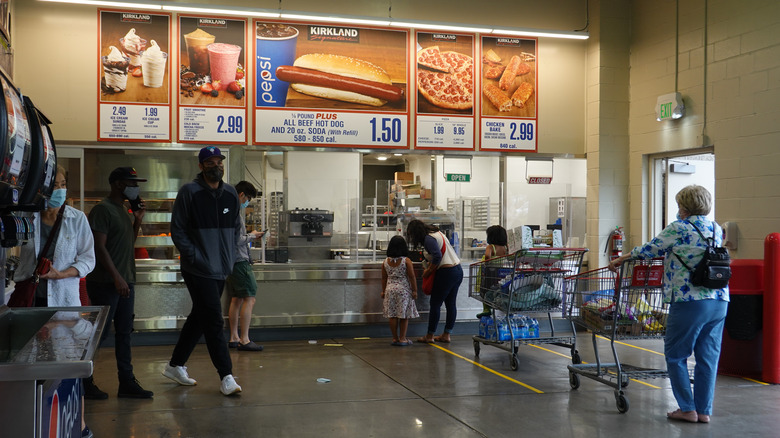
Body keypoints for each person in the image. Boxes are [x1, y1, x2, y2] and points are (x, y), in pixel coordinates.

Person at [608, 185, 729, 424]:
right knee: (708, 358)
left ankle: (687, 408)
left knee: (676, 356)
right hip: (719, 300)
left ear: (683, 206)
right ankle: (703, 410)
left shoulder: (679, 227)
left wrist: (622, 258)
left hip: (689, 301)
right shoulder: (716, 228)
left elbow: (649, 250)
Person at [16, 165, 96, 438]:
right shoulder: (25, 217)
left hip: (64, 303)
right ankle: (35, 423)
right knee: (30, 364)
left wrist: (62, 274)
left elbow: (88, 259)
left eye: (62, 185)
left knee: (66, 364)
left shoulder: (77, 219)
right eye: (53, 187)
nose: (59, 191)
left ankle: (79, 425)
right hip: (29, 304)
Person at [163, 146, 243, 396]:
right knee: (213, 318)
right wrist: (196, 257)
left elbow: (237, 229)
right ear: (201, 166)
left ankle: (175, 365)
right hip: (197, 268)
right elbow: (178, 230)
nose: (216, 165)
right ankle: (226, 375)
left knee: (200, 316)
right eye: (210, 162)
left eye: (219, 161)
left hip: (221, 268)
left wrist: (230, 260)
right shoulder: (189, 192)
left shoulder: (230, 193)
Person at [85, 166, 153, 399]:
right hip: (106, 283)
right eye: (132, 183)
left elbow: (128, 242)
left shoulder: (123, 210)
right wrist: (116, 277)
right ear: (118, 184)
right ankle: (85, 380)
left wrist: (137, 220)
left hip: (124, 281)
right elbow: (99, 247)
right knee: (99, 335)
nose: (136, 188)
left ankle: (127, 381)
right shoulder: (102, 210)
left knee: (124, 333)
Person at [406, 219, 463, 343]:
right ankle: (447, 334)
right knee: (450, 304)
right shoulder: (437, 233)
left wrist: (429, 271)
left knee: (435, 304)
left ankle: (429, 336)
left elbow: (437, 256)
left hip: (446, 272)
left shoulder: (428, 239)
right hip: (457, 270)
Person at [227, 180, 265, 352]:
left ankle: (234, 337)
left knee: (236, 299)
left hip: (230, 262)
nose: (247, 202)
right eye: (248, 198)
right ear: (241, 195)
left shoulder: (227, 210)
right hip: (240, 262)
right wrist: (253, 235)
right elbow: (237, 240)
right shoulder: (235, 213)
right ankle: (245, 339)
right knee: (250, 298)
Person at [381, 235, 419, 346]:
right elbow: (412, 277)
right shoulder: (406, 261)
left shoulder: (385, 262)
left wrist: (383, 291)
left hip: (390, 290)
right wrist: (415, 290)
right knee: (403, 315)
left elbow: (384, 278)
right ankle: (403, 338)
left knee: (392, 315)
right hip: (403, 290)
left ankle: (395, 338)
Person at [476, 225, 509, 318]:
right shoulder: (505, 247)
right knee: (500, 290)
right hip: (501, 273)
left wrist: (488, 261)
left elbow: (487, 256)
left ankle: (486, 309)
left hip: (490, 273)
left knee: (485, 290)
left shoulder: (491, 247)